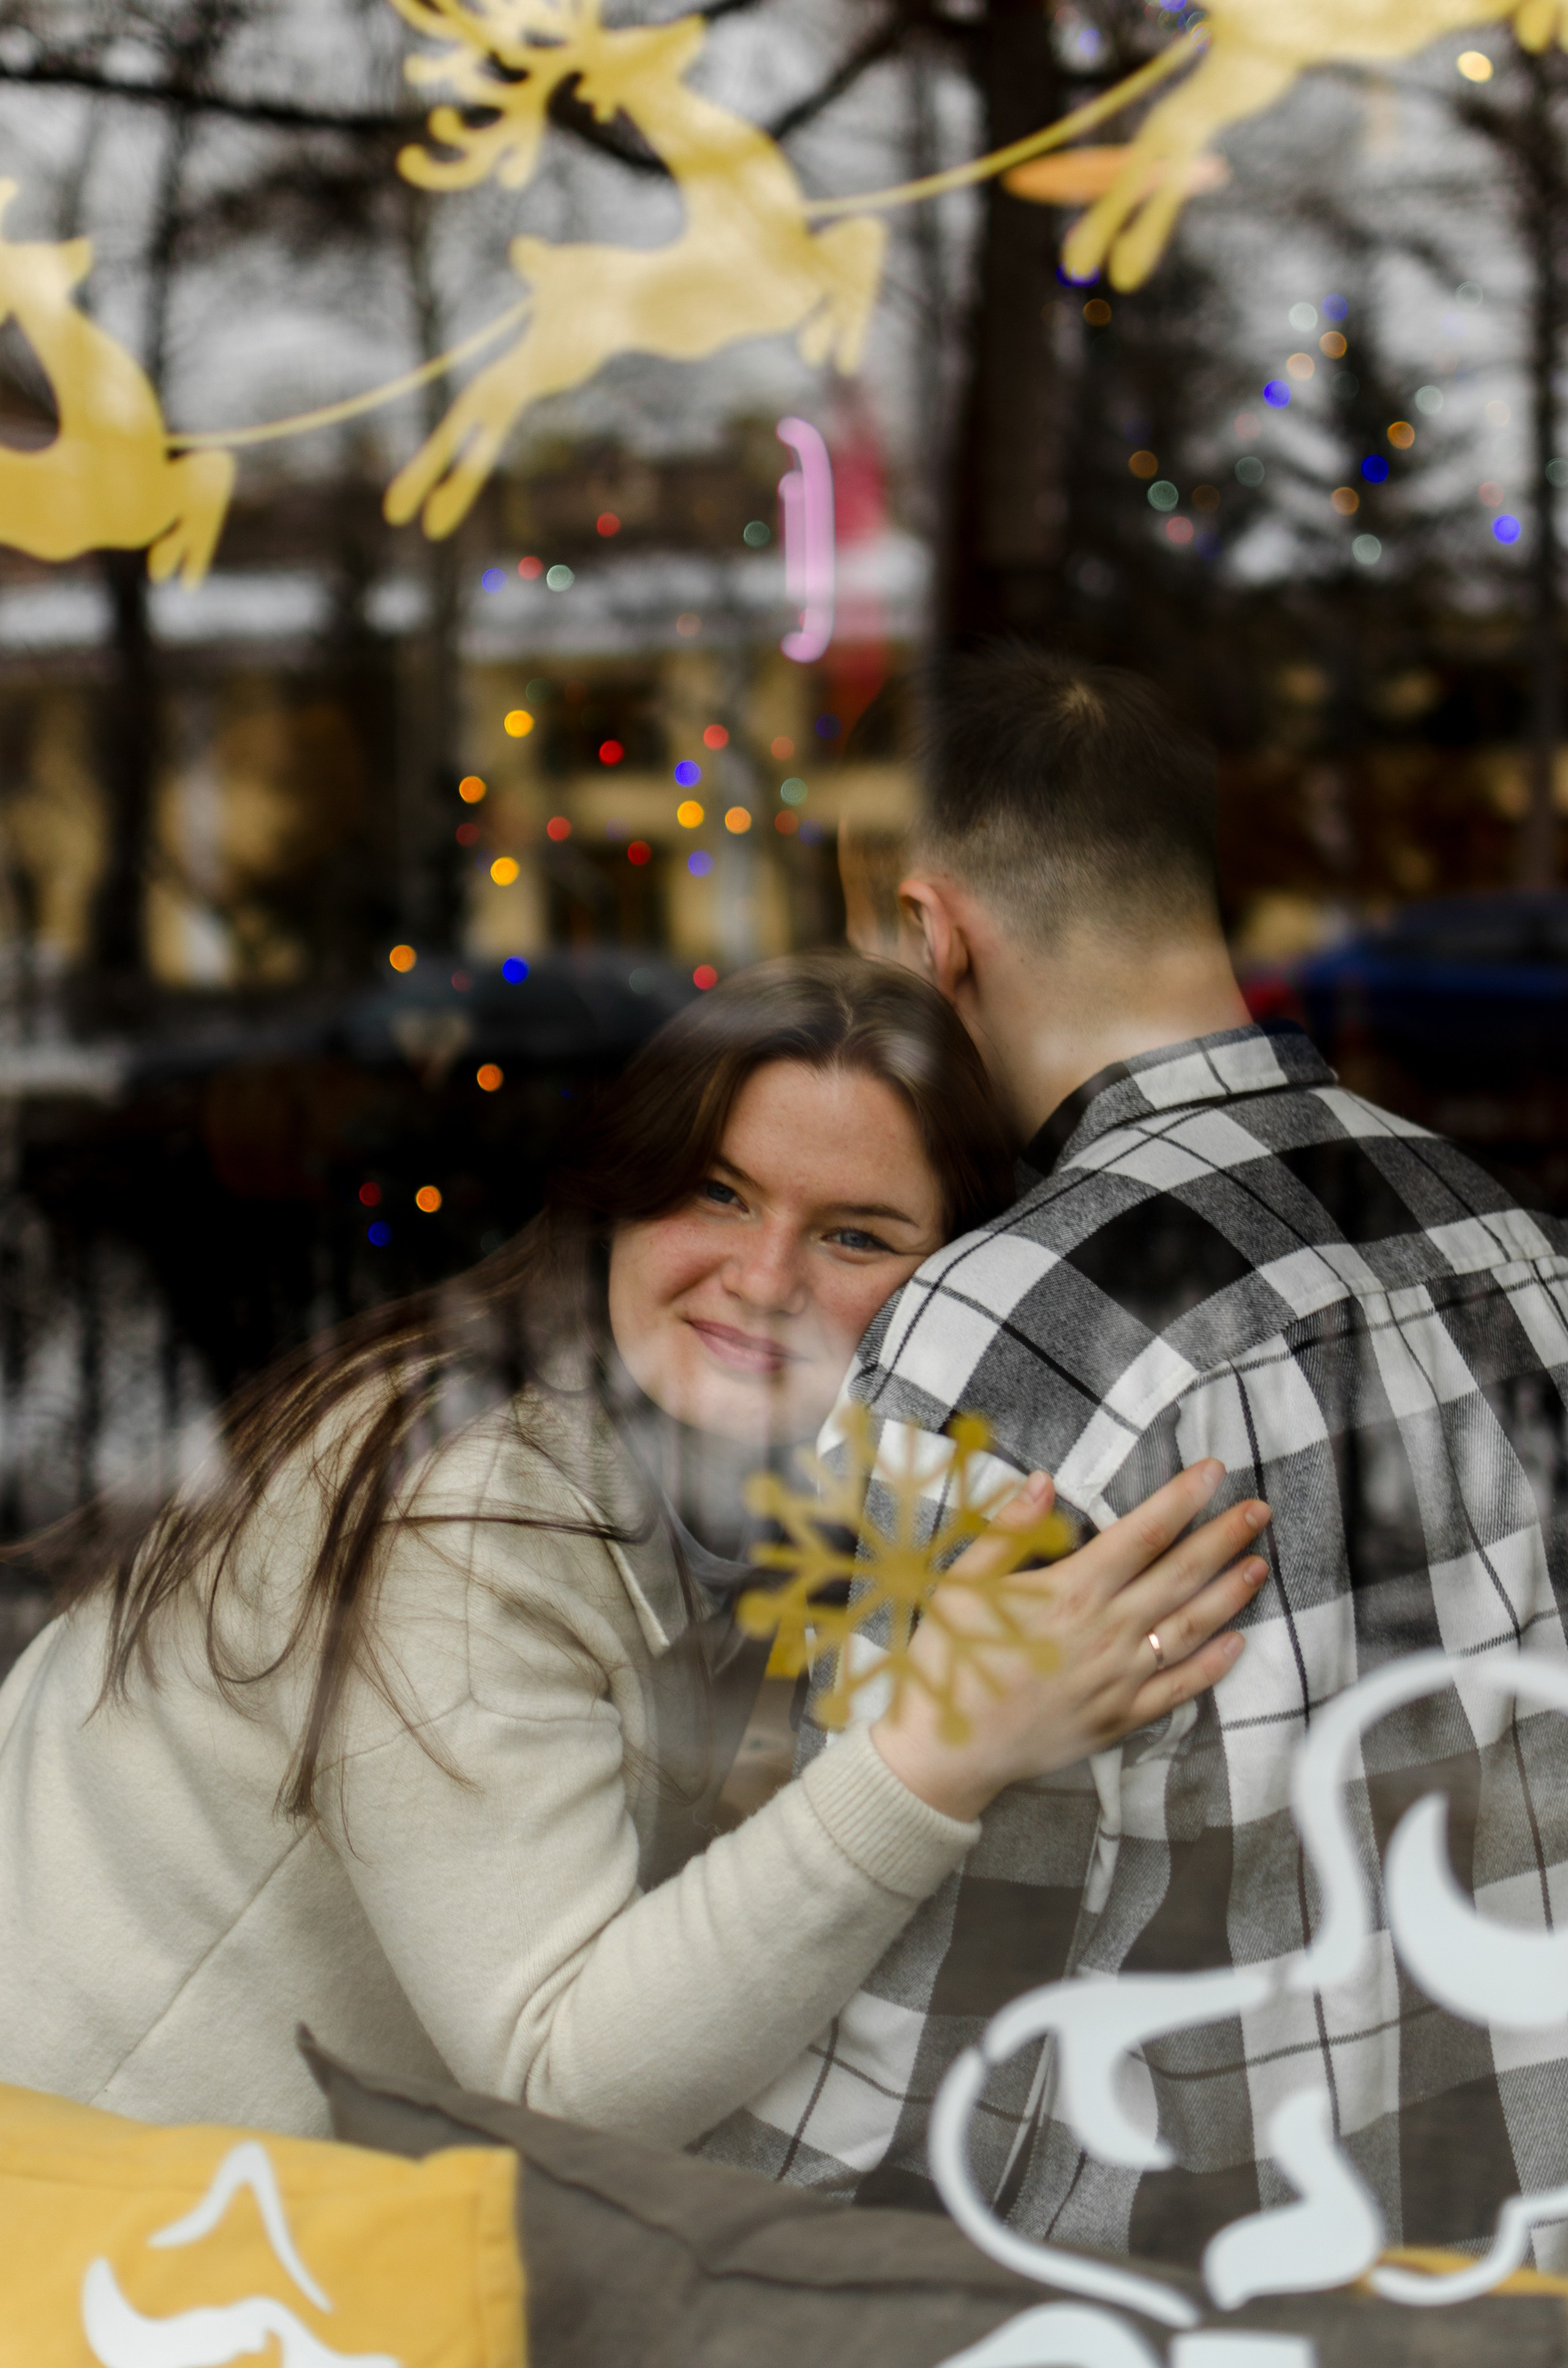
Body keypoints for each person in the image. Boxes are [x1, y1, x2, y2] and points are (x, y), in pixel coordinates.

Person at [0, 951, 1268, 2143]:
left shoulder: (767, 1477)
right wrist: (949, 1738)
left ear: (953, 1288)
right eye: (716, 1191)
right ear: (624, 1188)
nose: (759, 1276)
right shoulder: (471, 1497)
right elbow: (559, 2074)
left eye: (853, 1235)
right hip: (82, 2203)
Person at [704, 649, 1568, 2274]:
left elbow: (872, 1976)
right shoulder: (1524, 1250)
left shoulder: (989, 1332)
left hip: (1183, 2285)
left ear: (927, 933)